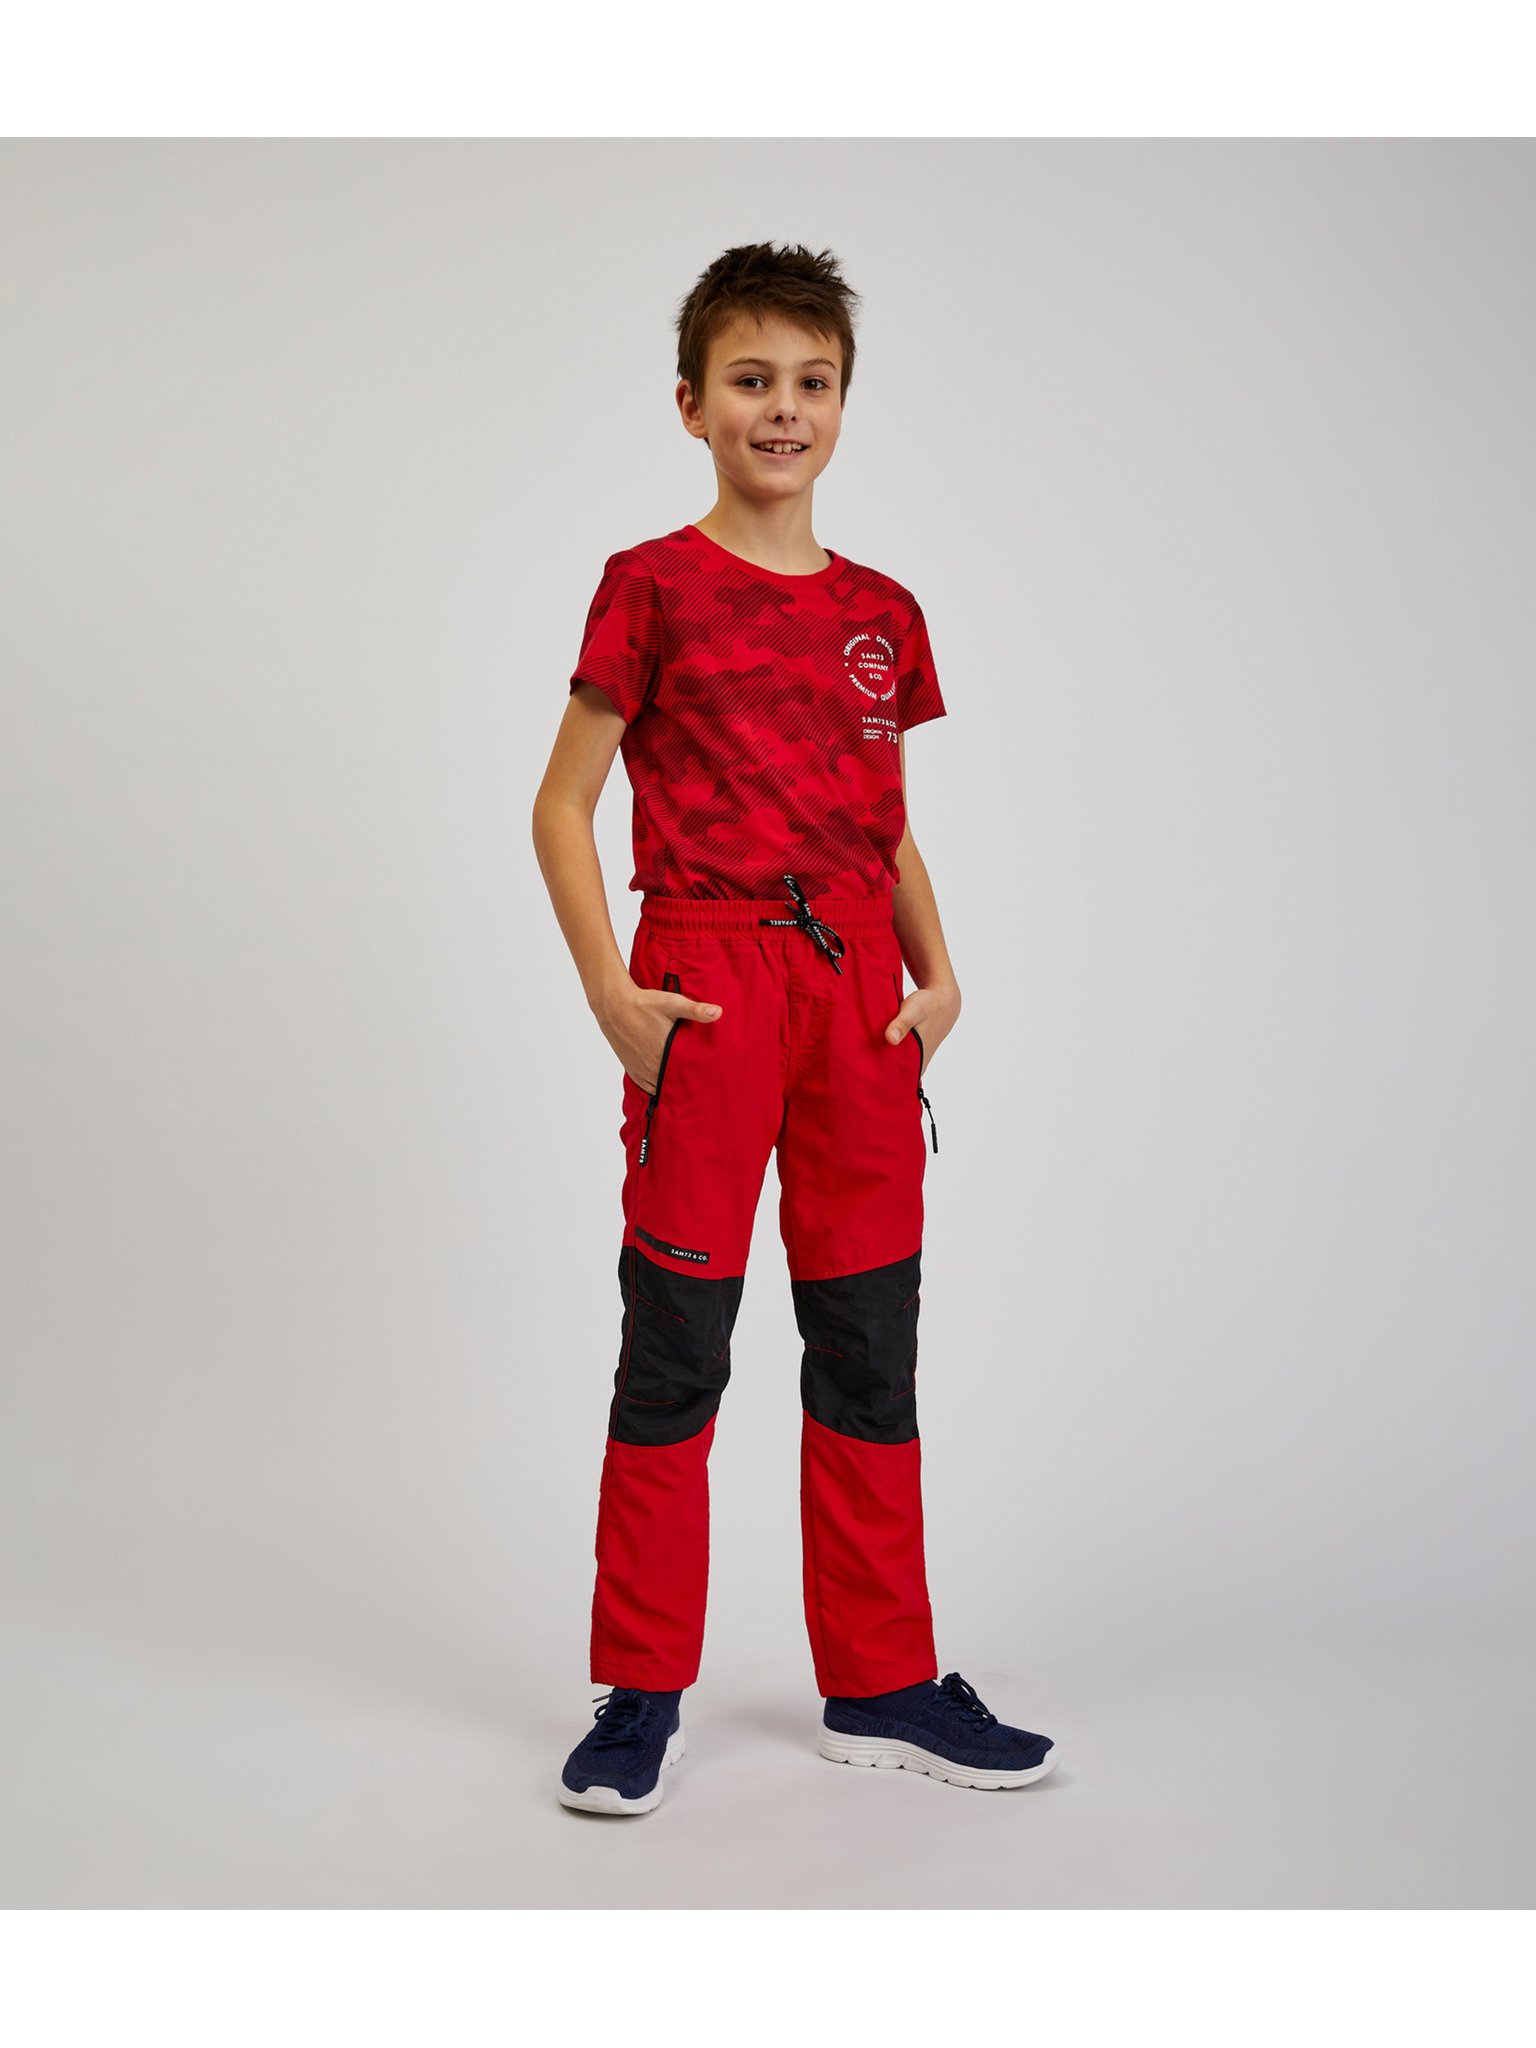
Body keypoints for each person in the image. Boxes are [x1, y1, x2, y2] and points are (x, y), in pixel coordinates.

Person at [532, 242, 1057, 1814]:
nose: (783, 409)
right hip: (707, 982)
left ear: (843, 403)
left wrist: (940, 974)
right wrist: (614, 996)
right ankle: (639, 1691)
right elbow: (561, 804)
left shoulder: (882, 613)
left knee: (869, 1343)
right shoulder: (651, 586)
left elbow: (879, 821)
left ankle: (883, 1681)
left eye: (811, 382)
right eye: (750, 380)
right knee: (676, 1347)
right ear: (691, 404)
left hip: (859, 1007)